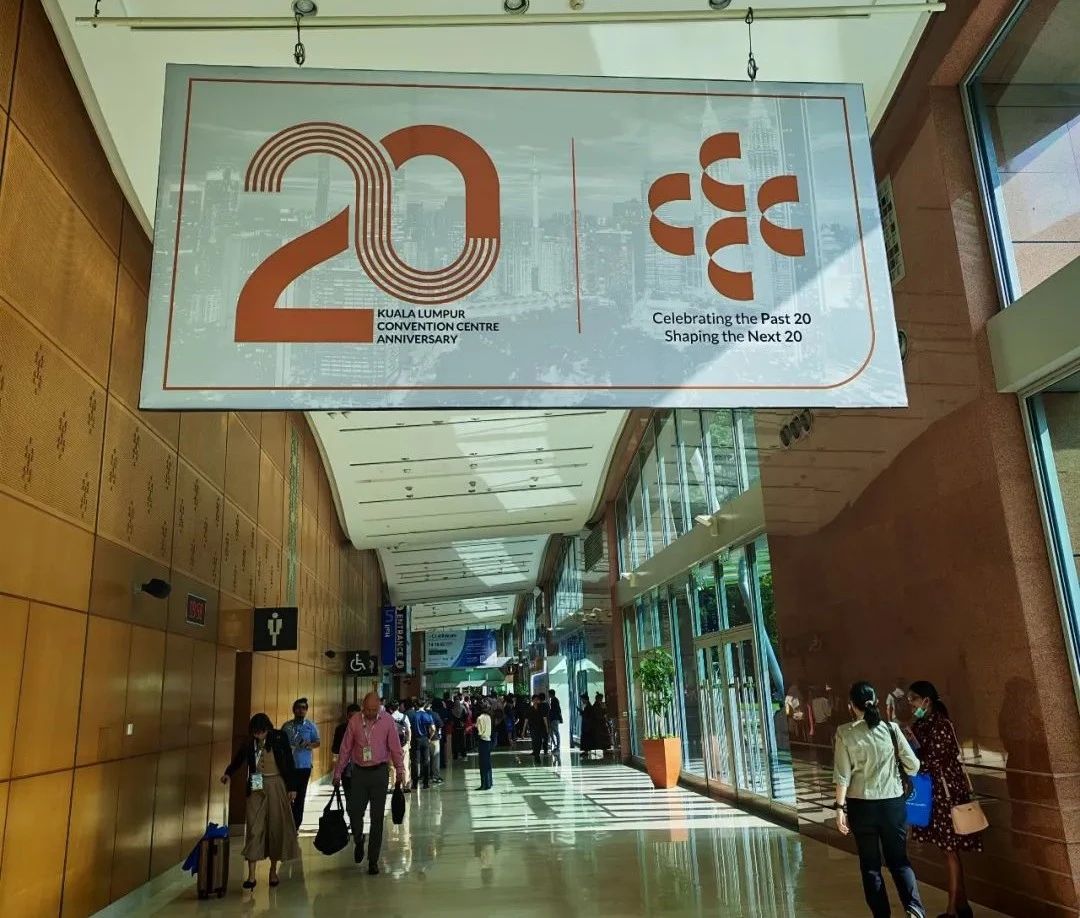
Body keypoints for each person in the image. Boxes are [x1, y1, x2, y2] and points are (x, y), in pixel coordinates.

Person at [834, 681, 925, 918]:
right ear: (875, 702)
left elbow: (842, 775)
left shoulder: (845, 732)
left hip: (861, 806)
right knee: (899, 861)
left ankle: (882, 915)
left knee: (871, 866)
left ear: (851, 705)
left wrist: (839, 808)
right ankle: (914, 909)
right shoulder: (891, 729)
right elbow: (914, 766)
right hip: (892, 805)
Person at [907, 681, 982, 918]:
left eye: (913, 699)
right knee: (947, 850)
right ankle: (962, 905)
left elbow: (931, 761)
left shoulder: (941, 725)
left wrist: (911, 759)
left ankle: (952, 910)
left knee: (950, 850)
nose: (911, 704)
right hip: (934, 793)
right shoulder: (920, 725)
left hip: (948, 794)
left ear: (926, 700)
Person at [221, 713, 300, 890]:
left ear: (267, 729)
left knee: (275, 826)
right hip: (257, 781)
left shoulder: (279, 737)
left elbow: (289, 761)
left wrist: (292, 787)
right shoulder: (250, 742)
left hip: (276, 781)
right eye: (255, 733)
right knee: (254, 827)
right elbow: (239, 759)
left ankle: (273, 871)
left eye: (261, 732)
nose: (258, 736)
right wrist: (228, 773)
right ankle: (251, 876)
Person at [333, 692, 405, 876]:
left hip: (380, 772)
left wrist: (400, 770)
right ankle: (359, 839)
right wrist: (338, 772)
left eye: (375, 709)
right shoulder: (355, 721)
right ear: (363, 707)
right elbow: (345, 748)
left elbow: (395, 747)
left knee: (377, 818)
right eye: (368, 709)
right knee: (354, 811)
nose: (372, 713)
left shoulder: (387, 721)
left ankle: (373, 860)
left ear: (379, 706)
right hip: (359, 773)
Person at [281, 697, 320, 831]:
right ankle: (287, 822)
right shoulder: (287, 727)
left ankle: (296, 825)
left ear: (306, 710)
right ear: (294, 710)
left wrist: (310, 745)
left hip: (304, 767)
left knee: (300, 797)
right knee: (287, 795)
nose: (301, 710)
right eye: (298, 708)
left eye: (304, 708)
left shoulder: (311, 726)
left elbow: (317, 742)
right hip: (289, 767)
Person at [332, 703, 362, 804]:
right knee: (349, 796)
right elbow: (335, 749)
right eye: (350, 716)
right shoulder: (340, 729)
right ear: (347, 716)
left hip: (362, 768)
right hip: (346, 767)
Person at [389, 701, 412, 791]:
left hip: (392, 745)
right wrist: (408, 742)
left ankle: (394, 786)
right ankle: (405, 785)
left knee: (392, 766)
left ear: (390, 709)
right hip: (404, 744)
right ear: (398, 707)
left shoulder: (389, 718)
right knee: (405, 764)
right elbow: (408, 730)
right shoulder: (405, 717)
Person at [413, 699, 434, 789]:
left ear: (416, 705)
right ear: (424, 705)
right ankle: (426, 783)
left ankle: (414, 783)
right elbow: (433, 729)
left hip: (416, 739)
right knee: (426, 761)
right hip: (425, 739)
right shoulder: (427, 715)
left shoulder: (414, 715)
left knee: (415, 761)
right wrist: (430, 738)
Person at [476, 700, 494, 790]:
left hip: (482, 741)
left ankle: (484, 784)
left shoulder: (480, 718)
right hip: (488, 740)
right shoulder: (488, 717)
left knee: (482, 764)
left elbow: (480, 732)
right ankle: (489, 782)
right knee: (488, 763)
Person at [425, 700, 444, 785]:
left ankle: (426, 776)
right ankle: (436, 776)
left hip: (424, 739)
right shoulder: (435, 714)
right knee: (435, 758)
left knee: (426, 759)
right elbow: (441, 724)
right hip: (434, 739)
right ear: (430, 706)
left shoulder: (421, 714)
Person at [527, 695, 549, 764]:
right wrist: (523, 730)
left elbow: (544, 718)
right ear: (532, 701)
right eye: (534, 700)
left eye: (537, 700)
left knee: (539, 742)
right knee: (534, 741)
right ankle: (536, 755)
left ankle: (537, 754)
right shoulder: (530, 709)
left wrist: (547, 728)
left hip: (540, 728)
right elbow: (526, 720)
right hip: (533, 728)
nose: (536, 701)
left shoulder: (541, 708)